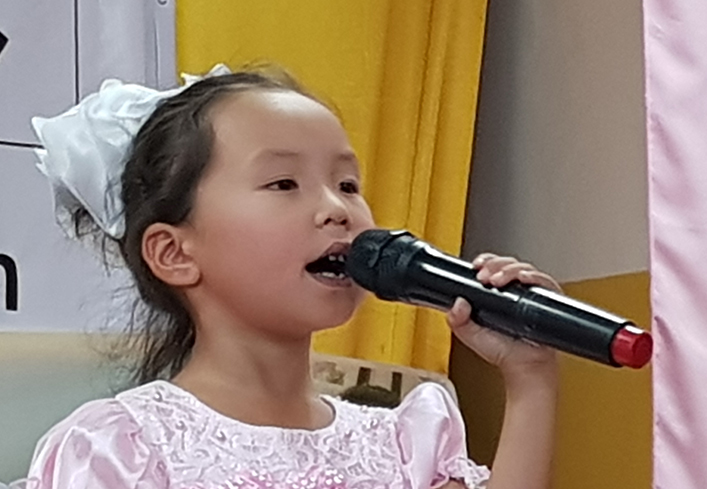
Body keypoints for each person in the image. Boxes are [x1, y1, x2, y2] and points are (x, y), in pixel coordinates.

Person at [23, 65, 559, 489]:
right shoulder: (121, 450)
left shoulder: (404, 442)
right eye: (284, 183)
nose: (337, 210)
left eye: (347, 185)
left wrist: (530, 381)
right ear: (174, 252)